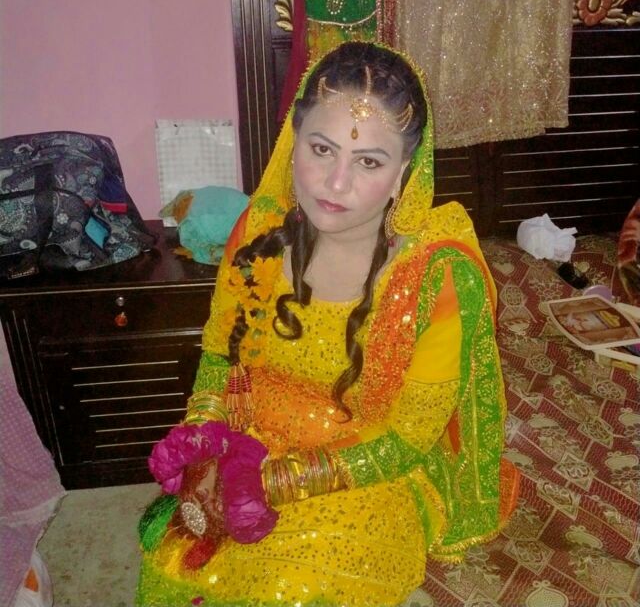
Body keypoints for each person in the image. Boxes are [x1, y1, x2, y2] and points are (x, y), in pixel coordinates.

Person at [136, 42, 519, 607]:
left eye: (368, 162)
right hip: (250, 440)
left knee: (285, 591)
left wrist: (273, 482)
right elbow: (220, 357)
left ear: (402, 176)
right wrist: (206, 439)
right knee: (173, 565)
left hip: (366, 472)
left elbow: (407, 441)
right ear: (293, 145)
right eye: (322, 149)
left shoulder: (434, 281)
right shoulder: (258, 238)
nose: (335, 183)